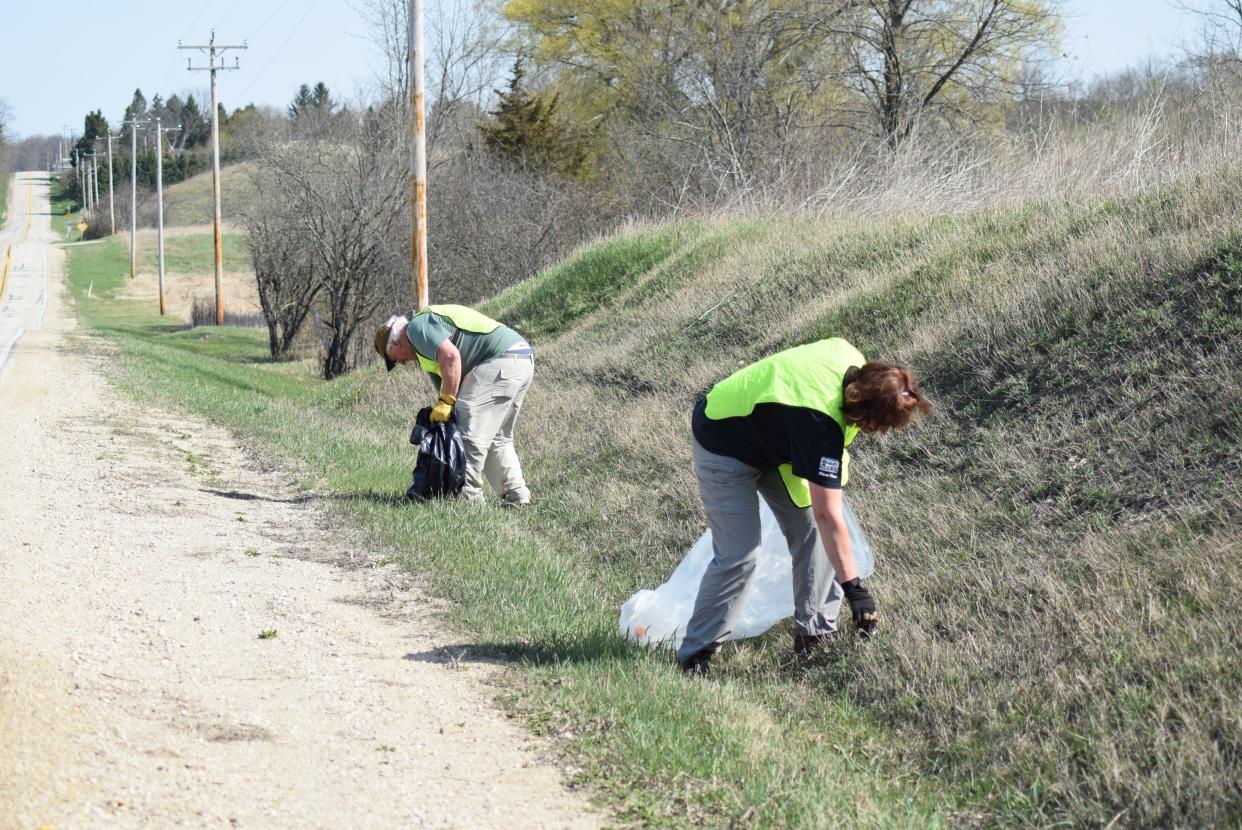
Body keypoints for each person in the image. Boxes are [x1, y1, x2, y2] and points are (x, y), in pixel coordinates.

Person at [677, 337, 931, 676]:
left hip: (777, 440)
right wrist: (856, 590)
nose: (881, 433)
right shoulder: (819, 421)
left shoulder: (852, 361)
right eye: (878, 424)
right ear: (861, 407)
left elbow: (822, 520)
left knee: (811, 530)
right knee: (741, 553)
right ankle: (696, 654)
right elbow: (830, 516)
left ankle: (815, 636)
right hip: (724, 439)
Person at [375, 304, 534, 506]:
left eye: (394, 360)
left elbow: (451, 357)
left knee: (468, 434)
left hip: (499, 360)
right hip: (520, 358)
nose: (402, 363)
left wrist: (448, 401)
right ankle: (517, 497)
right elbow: (447, 387)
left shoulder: (417, 328)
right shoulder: (425, 351)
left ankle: (467, 500)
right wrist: (445, 404)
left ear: (394, 346)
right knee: (498, 438)